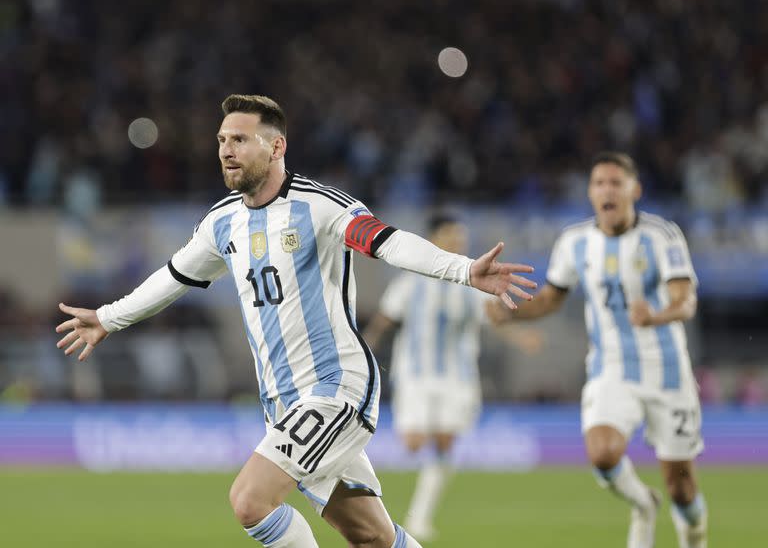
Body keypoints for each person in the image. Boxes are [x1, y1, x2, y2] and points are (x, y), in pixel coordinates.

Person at [55, 94, 537, 548]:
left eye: (240, 139)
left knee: (250, 502)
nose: (226, 150)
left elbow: (388, 242)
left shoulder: (322, 206)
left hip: (336, 386)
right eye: (222, 140)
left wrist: (462, 268)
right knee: (372, 537)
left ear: (276, 145)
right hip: (282, 403)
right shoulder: (222, 223)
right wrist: (108, 318)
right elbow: (173, 276)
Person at [486, 152, 707, 548]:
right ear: (590, 192)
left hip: (667, 370)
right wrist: (511, 313)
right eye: (599, 183)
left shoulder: (662, 235)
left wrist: (655, 317)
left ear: (633, 190)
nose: (607, 190)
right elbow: (553, 298)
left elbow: (685, 301)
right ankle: (642, 504)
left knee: (683, 488)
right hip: (612, 367)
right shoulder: (575, 242)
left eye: (615, 182)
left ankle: (694, 536)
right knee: (603, 454)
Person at [363, 213, 542, 542]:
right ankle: (364, 500)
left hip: (457, 376)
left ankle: (420, 517)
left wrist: (521, 337)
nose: (458, 241)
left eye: (460, 235)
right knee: (413, 443)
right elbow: (385, 318)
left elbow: (494, 318)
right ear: (433, 239)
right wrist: (364, 349)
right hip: (416, 375)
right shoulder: (410, 281)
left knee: (445, 440)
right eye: (450, 235)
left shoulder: (472, 282)